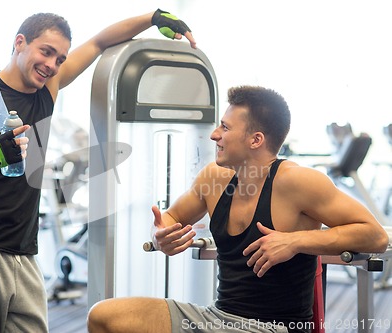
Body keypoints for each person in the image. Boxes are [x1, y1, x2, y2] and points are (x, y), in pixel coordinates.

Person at [0, 9, 196, 333]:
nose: (52, 65)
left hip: (24, 250)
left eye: (60, 59)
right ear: (20, 43)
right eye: (46, 52)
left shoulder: (48, 88)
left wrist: (154, 17)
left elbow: (100, 41)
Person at [86, 85, 389, 333]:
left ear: (256, 139)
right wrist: (161, 232)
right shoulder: (213, 178)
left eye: (226, 128)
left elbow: (375, 236)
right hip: (216, 319)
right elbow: (172, 217)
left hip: (275, 328)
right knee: (105, 316)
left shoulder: (298, 182)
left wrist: (295, 241)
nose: (215, 135)